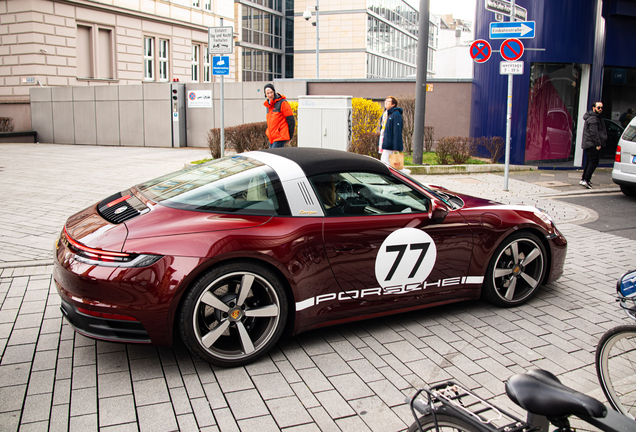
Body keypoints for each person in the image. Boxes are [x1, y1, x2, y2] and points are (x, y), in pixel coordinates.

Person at [580, 101, 607, 189]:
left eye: (601, 108)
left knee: (589, 161)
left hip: (590, 143)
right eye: (598, 107)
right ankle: (586, 179)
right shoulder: (593, 119)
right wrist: (598, 143)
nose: (600, 109)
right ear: (593, 108)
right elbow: (594, 133)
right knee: (593, 162)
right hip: (592, 144)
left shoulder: (594, 117)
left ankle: (584, 179)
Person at [263, 83, 295, 148]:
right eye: (268, 93)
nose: (270, 95)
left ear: (274, 92)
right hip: (272, 137)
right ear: (265, 95)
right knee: (274, 156)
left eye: (271, 92)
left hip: (280, 136)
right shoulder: (269, 106)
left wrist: (289, 137)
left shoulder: (282, 103)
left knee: (274, 156)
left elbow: (291, 120)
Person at [378, 96, 404, 165]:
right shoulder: (385, 114)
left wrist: (396, 147)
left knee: (385, 162)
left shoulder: (396, 115)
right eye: (385, 101)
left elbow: (397, 131)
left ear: (393, 104)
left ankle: (404, 173)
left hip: (390, 144)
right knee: (388, 163)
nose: (386, 102)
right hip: (385, 142)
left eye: (388, 101)